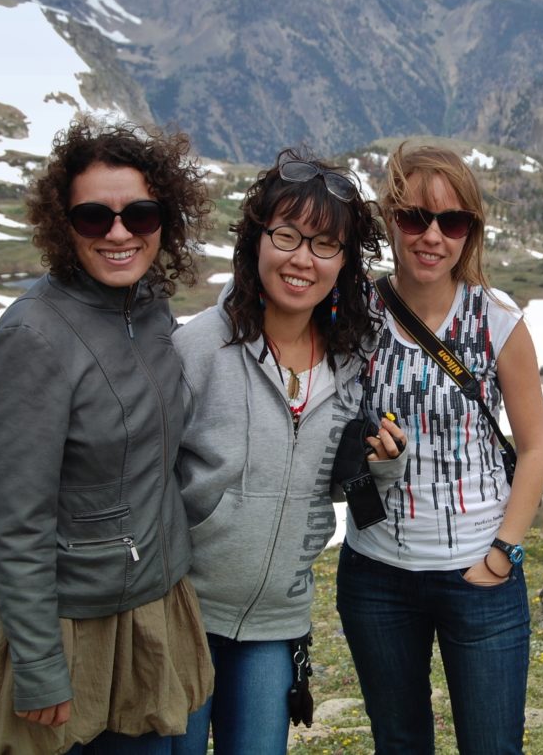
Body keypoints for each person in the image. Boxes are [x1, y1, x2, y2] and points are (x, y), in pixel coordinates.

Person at [0, 116, 215, 754]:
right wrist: (39, 664)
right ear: (63, 225)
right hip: (62, 624)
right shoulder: (31, 336)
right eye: (94, 217)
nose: (120, 233)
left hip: (144, 608)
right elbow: (15, 523)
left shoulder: (149, 308)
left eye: (141, 214)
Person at [171, 149, 408, 755]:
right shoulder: (198, 347)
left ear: (344, 261)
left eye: (325, 245)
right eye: (287, 236)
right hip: (182, 614)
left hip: (277, 624)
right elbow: (139, 459)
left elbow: (324, 482)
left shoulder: (350, 360)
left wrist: (382, 467)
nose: (303, 259)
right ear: (256, 240)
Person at [335, 143, 543, 754]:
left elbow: (535, 448)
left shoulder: (497, 319)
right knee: (399, 744)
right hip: (376, 575)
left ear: (469, 232)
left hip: (479, 574)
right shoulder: (354, 312)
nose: (432, 236)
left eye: (451, 221)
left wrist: (503, 554)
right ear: (390, 219)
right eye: (414, 217)